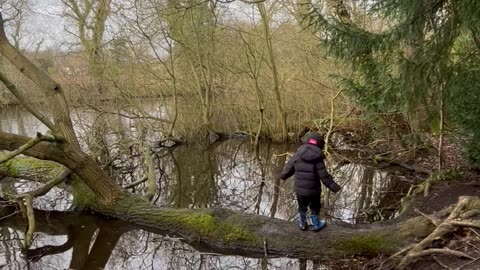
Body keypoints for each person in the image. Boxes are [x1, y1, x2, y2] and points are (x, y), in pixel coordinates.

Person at [279, 132, 341, 231]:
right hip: (314, 191)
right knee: (315, 207)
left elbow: (288, 168)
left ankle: (302, 224)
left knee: (302, 206)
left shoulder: (298, 155)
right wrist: (334, 187)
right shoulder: (318, 158)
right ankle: (316, 225)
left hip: (300, 190)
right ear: (320, 144)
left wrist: (283, 176)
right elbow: (324, 176)